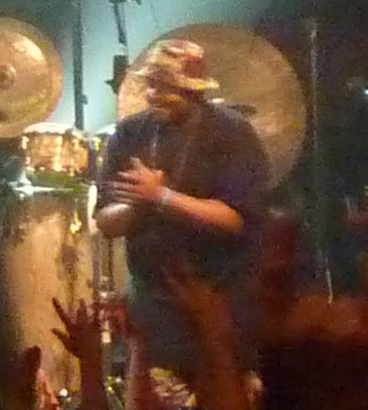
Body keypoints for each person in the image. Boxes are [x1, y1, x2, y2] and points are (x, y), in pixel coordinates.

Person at [92, 35, 268, 368]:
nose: (153, 94)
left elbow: (236, 220)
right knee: (154, 397)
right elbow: (105, 222)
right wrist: (138, 204)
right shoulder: (129, 133)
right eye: (151, 84)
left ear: (194, 90)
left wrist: (161, 197)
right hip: (151, 302)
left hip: (217, 297)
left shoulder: (231, 132)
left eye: (165, 86)